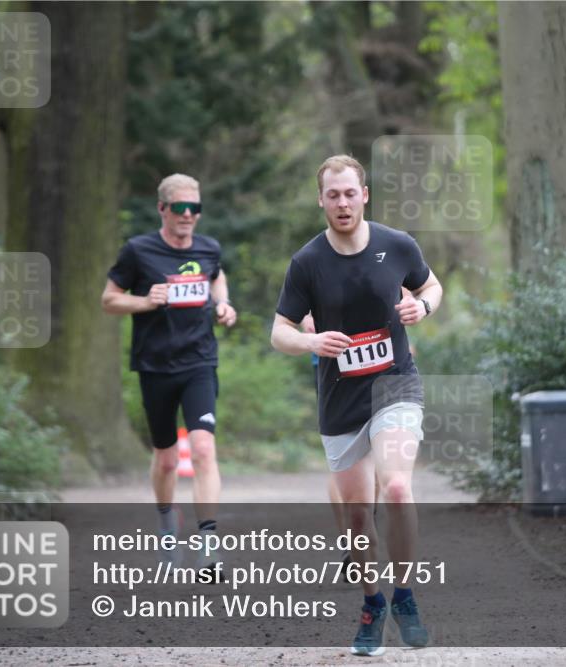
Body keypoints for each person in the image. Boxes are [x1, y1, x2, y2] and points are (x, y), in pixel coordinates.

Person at [271, 155, 443, 656]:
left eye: (350, 193)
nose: (342, 203)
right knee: (354, 517)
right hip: (341, 399)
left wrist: (424, 306)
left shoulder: (397, 244)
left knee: (394, 487)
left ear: (364, 195)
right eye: (333, 195)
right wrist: (311, 342)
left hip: (394, 386)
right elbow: (279, 330)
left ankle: (405, 596)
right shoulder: (307, 262)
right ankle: (373, 604)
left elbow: (430, 284)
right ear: (321, 201)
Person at [101, 173, 236, 571]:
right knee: (164, 460)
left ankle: (208, 546)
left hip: (199, 362)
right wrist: (144, 301)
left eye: (195, 208)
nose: (189, 215)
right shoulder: (138, 251)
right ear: (162, 208)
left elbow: (216, 276)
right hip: (155, 366)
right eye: (180, 208)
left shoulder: (209, 248)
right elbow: (109, 299)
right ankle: (166, 525)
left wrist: (224, 305)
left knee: (203, 449)